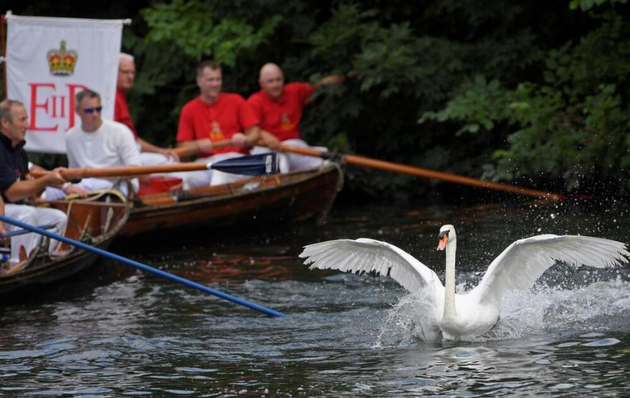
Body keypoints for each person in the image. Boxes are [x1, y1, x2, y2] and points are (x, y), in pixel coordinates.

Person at [0, 100, 68, 270]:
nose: (27, 125)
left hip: (11, 210)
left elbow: (25, 185)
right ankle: (17, 266)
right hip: (5, 211)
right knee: (26, 214)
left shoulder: (19, 151)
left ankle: (36, 261)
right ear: (5, 123)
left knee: (58, 218)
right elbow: (12, 193)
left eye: (26, 119)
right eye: (21, 120)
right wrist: (46, 180)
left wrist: (60, 185)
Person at [44, 89, 142, 200]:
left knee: (83, 185)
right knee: (51, 190)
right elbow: (73, 173)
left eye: (98, 109)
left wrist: (97, 174)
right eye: (89, 110)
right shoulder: (71, 136)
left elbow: (135, 169)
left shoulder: (121, 131)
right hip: (85, 184)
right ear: (77, 111)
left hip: (118, 186)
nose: (95, 114)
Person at [176, 60, 261, 187]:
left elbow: (255, 133)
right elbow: (182, 147)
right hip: (205, 162)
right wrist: (197, 144)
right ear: (199, 82)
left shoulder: (236, 101)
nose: (215, 84)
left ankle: (212, 205)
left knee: (220, 172)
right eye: (211, 80)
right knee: (184, 179)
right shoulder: (189, 109)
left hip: (236, 159)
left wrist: (246, 139)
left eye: (218, 79)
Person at [247, 63, 344, 173]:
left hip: (293, 146)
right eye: (271, 81)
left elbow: (319, 86)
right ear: (261, 84)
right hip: (267, 150)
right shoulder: (254, 102)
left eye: (278, 80)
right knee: (280, 161)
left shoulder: (293, 91)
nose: (275, 84)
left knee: (324, 153)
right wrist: (264, 135)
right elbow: (248, 130)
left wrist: (346, 76)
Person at [115, 53, 179, 165]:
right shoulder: (112, 98)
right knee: (171, 163)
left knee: (170, 160)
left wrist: (160, 151)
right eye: (126, 72)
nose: (130, 77)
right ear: (114, 72)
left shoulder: (120, 97)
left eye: (133, 72)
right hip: (122, 159)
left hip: (131, 154)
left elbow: (133, 139)